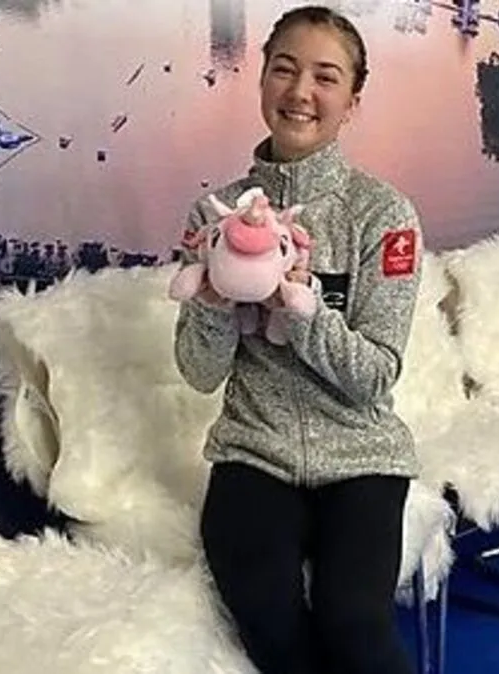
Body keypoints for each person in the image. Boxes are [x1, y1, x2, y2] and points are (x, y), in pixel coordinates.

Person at [173, 5, 424, 674]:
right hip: (253, 451)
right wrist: (213, 304)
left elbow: (375, 375)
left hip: (362, 455)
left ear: (352, 101)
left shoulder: (383, 214)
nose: (300, 92)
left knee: (354, 624)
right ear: (261, 80)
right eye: (284, 69)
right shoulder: (216, 216)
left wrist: (303, 306)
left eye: (325, 77)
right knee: (269, 620)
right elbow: (199, 372)